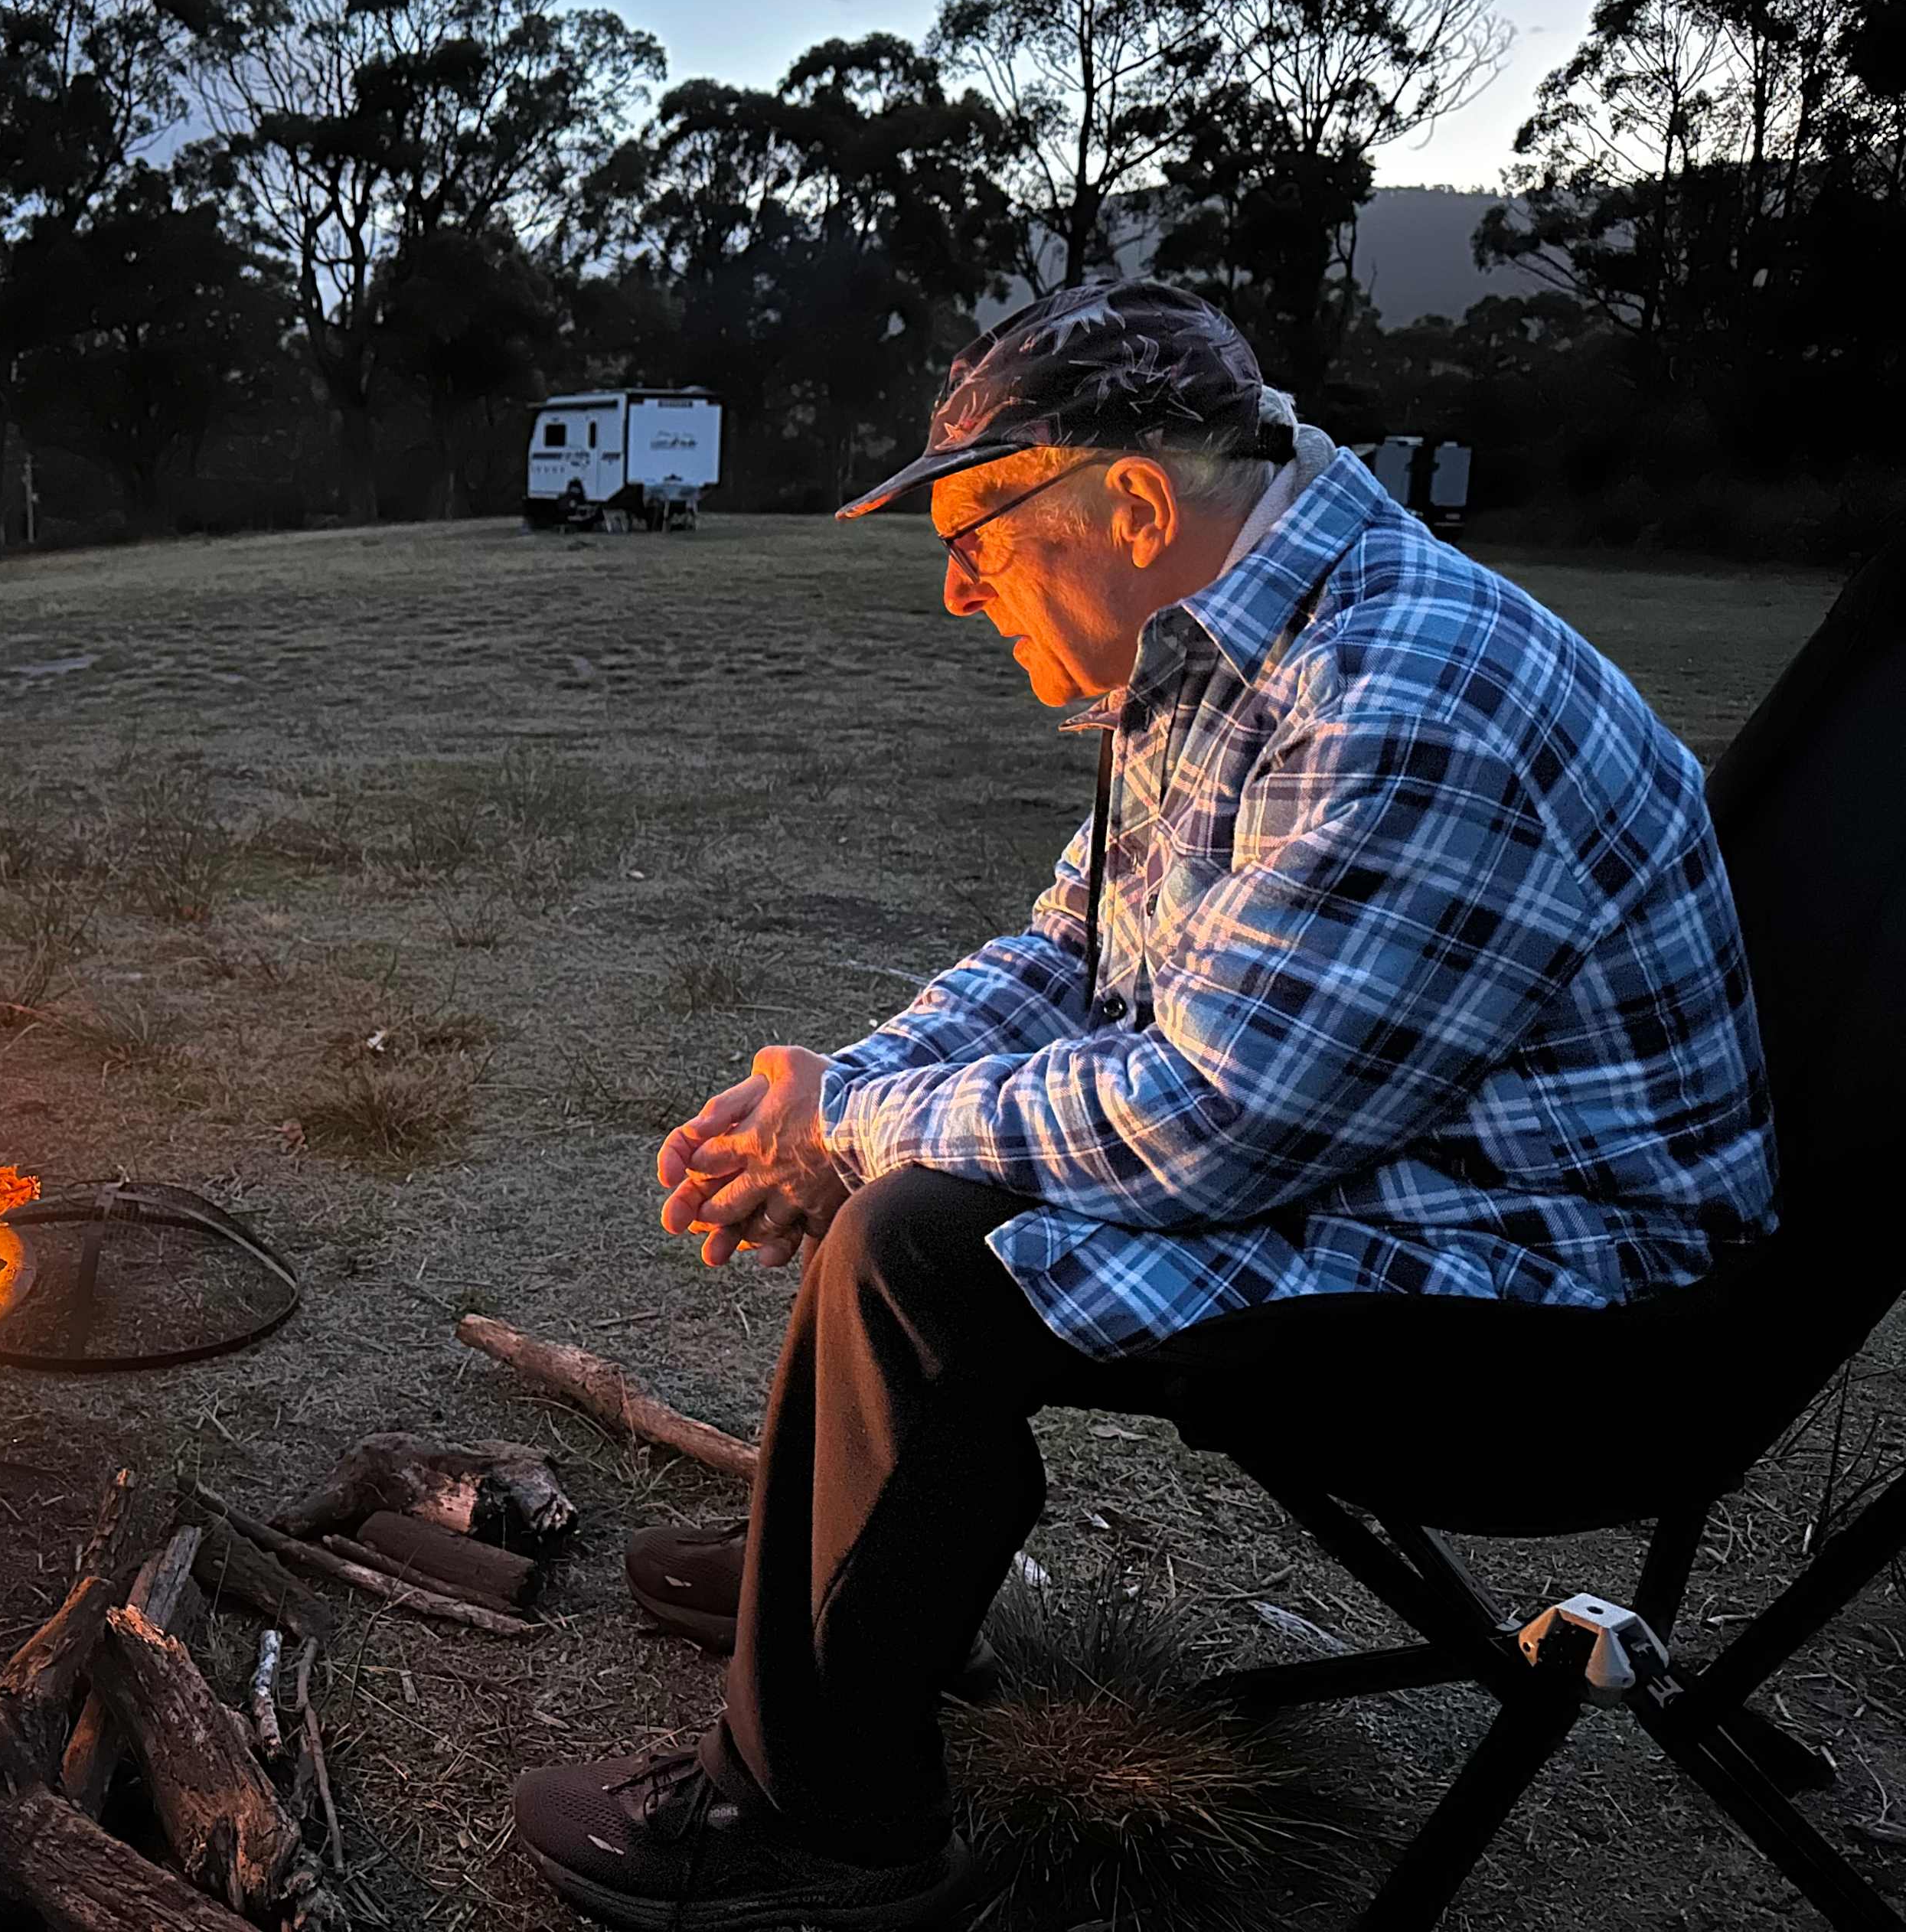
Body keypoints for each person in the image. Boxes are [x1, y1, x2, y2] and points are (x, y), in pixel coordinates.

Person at [510, 278, 1780, 1930]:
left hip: (1570, 1311)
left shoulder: (1399, 695)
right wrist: (841, 1093)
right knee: (923, 1172)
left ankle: (823, 1823)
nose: (958, 590)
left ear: (1130, 503)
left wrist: (853, 1133)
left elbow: (1205, 1123)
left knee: (926, 1243)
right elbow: (1075, 954)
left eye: (979, 536)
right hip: (1415, 1163)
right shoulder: (1225, 650)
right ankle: (843, 1588)